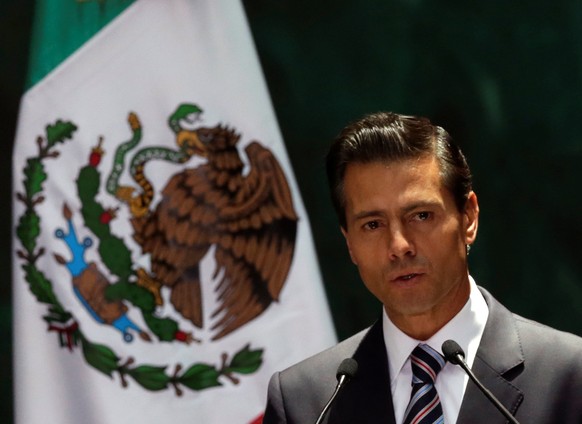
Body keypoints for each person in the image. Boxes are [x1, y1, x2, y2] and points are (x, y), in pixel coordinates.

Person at [263, 112, 582, 423]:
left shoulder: (569, 375)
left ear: (468, 218)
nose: (399, 245)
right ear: (349, 242)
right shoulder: (304, 402)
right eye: (373, 225)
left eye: (421, 216)